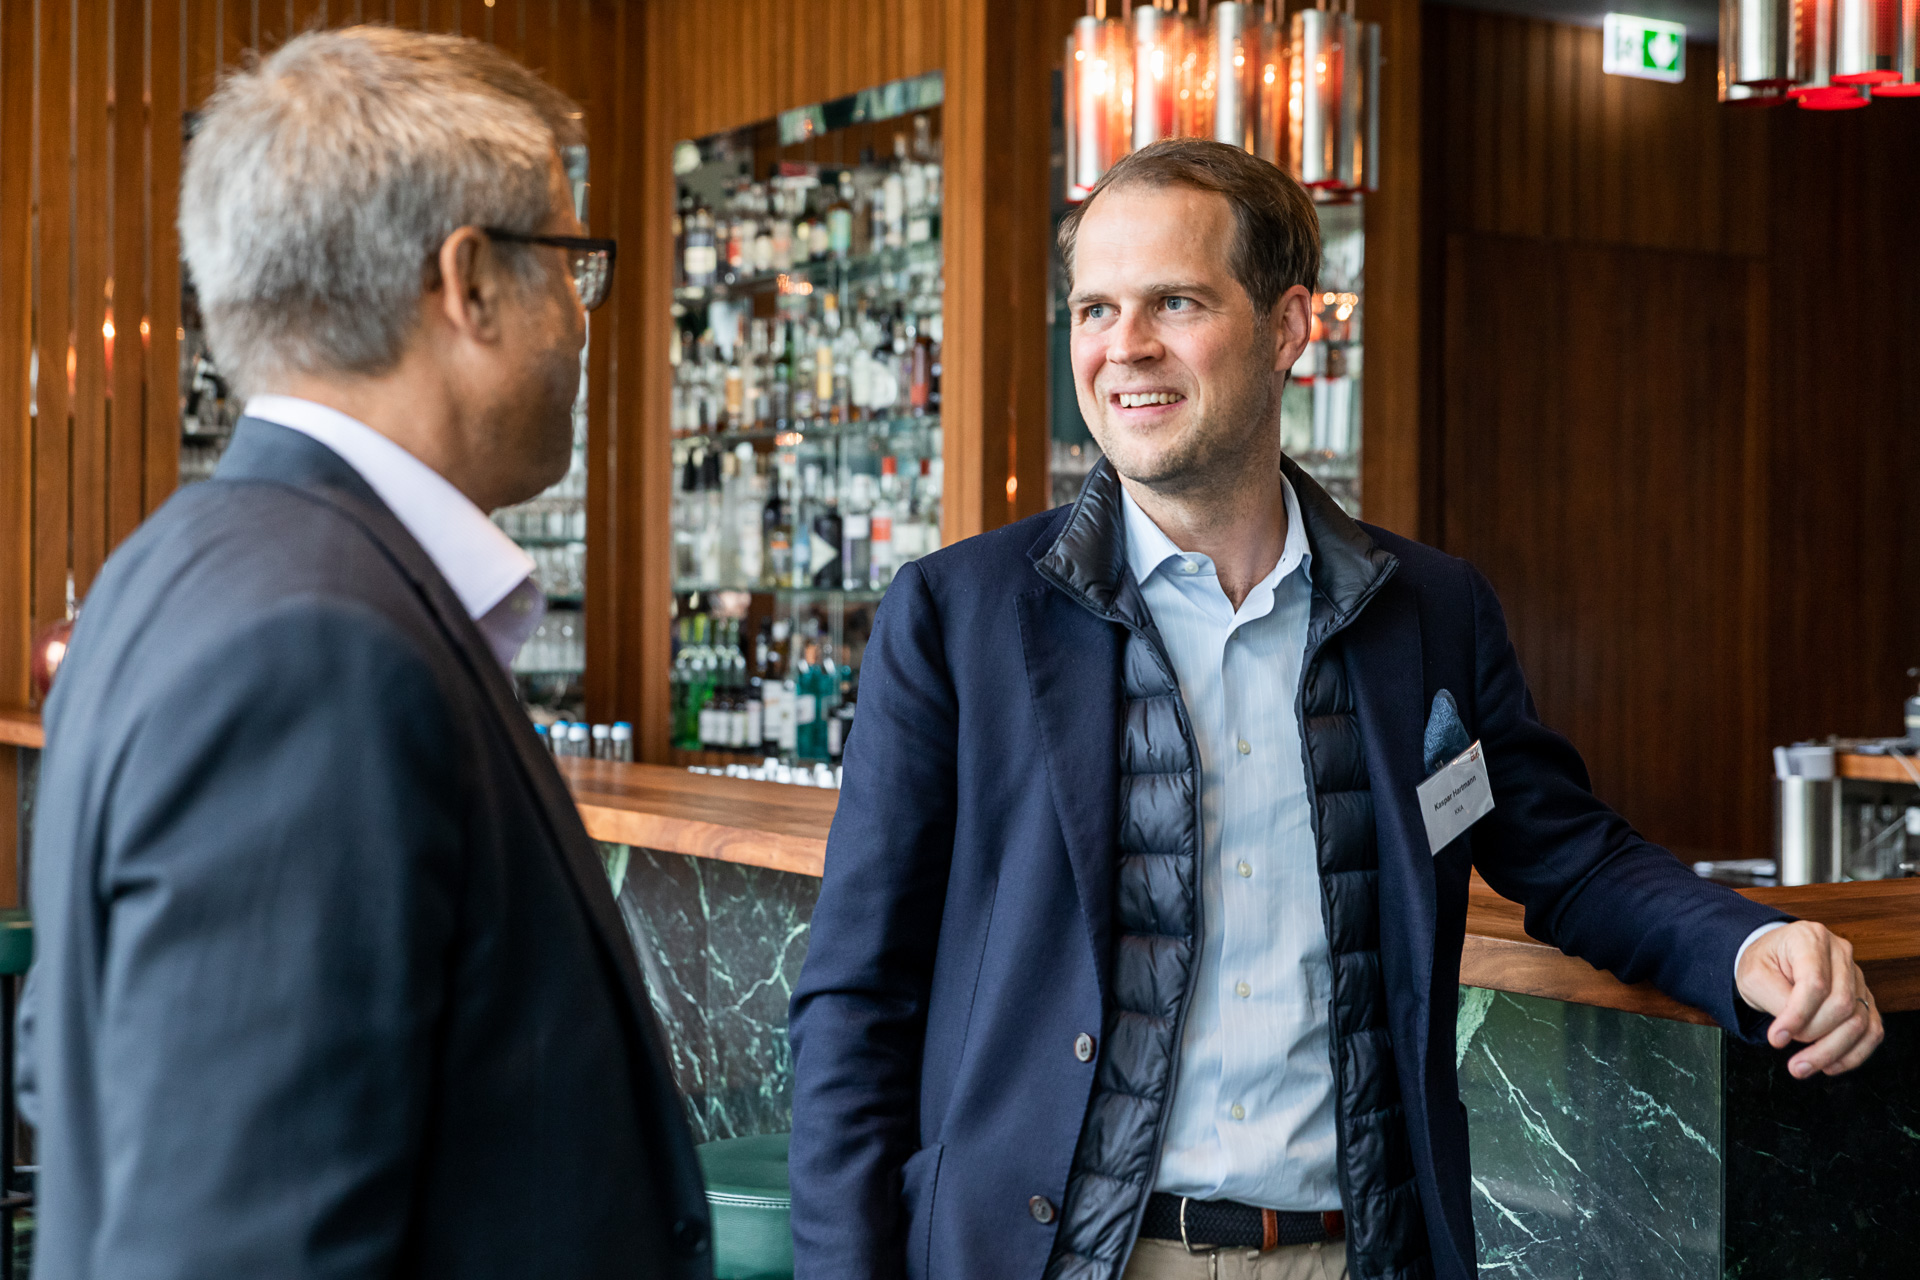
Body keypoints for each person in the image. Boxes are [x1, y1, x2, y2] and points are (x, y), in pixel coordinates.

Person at [787, 138, 1883, 1280]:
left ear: (1289, 327)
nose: (1125, 347)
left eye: (1175, 302)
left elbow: (1569, 857)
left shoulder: (1432, 611)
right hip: (1058, 1257)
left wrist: (1750, 945)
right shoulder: (957, 616)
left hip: (1353, 1254)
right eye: (1096, 309)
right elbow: (856, 1000)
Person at [19, 28, 710, 1280]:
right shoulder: (314, 654)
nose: (583, 317)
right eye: (573, 264)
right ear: (470, 282)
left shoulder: (175, 564)